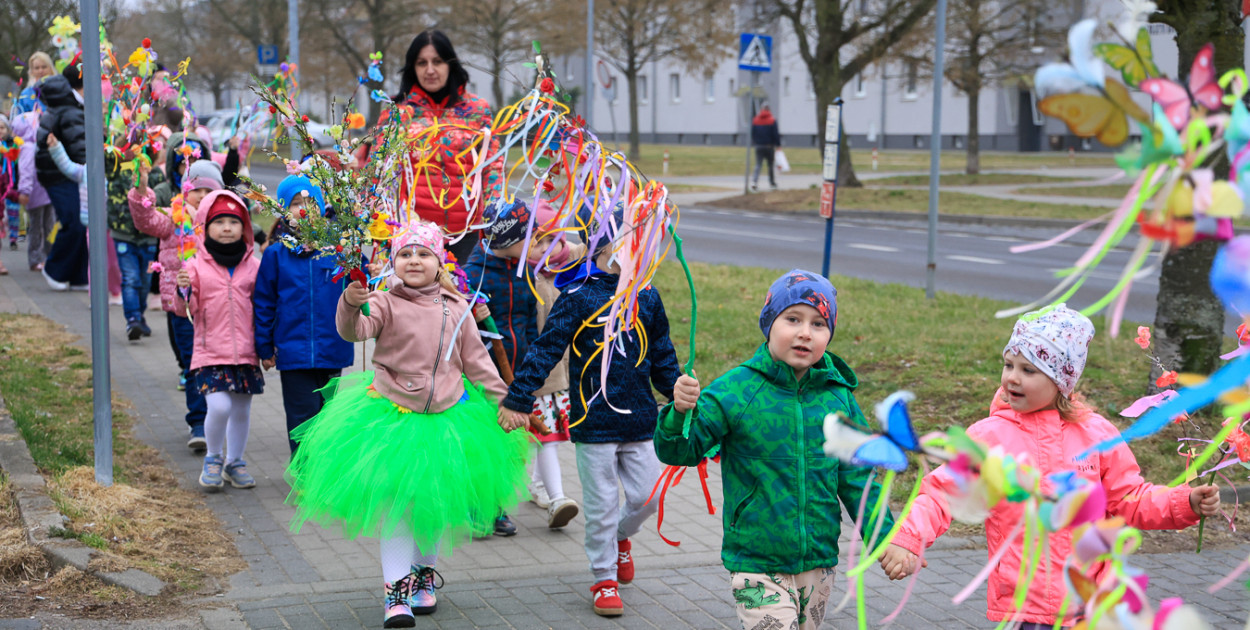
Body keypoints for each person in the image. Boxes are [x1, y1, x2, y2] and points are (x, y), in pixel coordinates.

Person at [878, 305, 1222, 628]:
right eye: (1008, 364)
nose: (1012, 377)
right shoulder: (988, 437)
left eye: (1028, 370)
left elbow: (1128, 499)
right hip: (1024, 609)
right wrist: (909, 538)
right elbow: (942, 495)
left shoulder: (1097, 436)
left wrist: (1184, 503)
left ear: (1062, 380)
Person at [285, 219, 530, 628]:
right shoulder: (383, 302)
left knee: (432, 506)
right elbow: (354, 331)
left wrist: (504, 403)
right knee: (400, 509)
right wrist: (350, 301)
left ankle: (423, 578)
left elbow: (478, 363)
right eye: (405, 253)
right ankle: (395, 594)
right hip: (393, 418)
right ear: (393, 261)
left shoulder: (457, 307)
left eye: (423, 253)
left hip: (448, 420)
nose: (413, 260)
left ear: (440, 263)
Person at [656, 269, 894, 630]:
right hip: (756, 561)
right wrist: (679, 413)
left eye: (818, 324)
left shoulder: (838, 398)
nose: (804, 332)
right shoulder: (737, 390)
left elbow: (859, 479)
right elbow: (679, 452)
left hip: (817, 558)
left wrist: (888, 538)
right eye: (793, 319)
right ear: (769, 323)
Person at [499, 230, 683, 618]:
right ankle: (603, 578)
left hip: (641, 420)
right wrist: (519, 397)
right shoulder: (578, 295)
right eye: (628, 244)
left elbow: (663, 355)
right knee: (601, 506)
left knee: (649, 497)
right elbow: (546, 347)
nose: (636, 253)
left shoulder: (646, 296)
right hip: (593, 421)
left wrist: (680, 400)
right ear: (603, 248)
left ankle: (620, 538)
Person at [252, 175, 354, 455]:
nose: (304, 209)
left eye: (310, 203)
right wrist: (264, 346)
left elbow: (361, 282)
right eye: (295, 203)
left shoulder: (339, 250)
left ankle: (324, 471)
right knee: (301, 417)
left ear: (322, 208)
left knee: (327, 416)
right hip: (293, 351)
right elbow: (264, 303)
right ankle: (304, 472)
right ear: (284, 210)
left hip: (332, 347)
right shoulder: (275, 255)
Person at [382, 30, 503, 264]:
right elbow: (383, 176)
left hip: (469, 233)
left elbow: (493, 167)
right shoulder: (397, 113)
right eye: (422, 63)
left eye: (437, 61)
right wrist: (392, 227)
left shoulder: (477, 109)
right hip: (415, 237)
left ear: (450, 64)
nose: (430, 70)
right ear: (412, 68)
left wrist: (493, 218)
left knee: (465, 299)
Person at [173, 190, 263, 492]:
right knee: (220, 406)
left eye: (234, 222)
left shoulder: (254, 265)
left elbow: (263, 306)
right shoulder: (196, 265)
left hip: (246, 353)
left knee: (240, 410)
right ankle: (213, 457)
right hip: (210, 352)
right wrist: (183, 289)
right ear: (205, 226)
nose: (227, 228)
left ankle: (234, 462)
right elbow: (186, 310)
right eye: (219, 222)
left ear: (244, 227)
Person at [130, 158, 222, 451]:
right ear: (186, 190)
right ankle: (198, 422)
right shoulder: (173, 217)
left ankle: (215, 418)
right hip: (182, 308)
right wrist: (142, 191)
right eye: (198, 190)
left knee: (211, 365)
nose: (203, 196)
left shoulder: (220, 223)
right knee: (192, 364)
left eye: (210, 191)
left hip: (213, 307)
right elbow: (145, 219)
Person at [465, 199, 540, 537]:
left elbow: (530, 322)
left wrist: (533, 367)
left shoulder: (524, 271)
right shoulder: (472, 275)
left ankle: (496, 505)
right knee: (483, 443)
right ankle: (477, 506)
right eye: (529, 235)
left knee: (511, 443)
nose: (536, 240)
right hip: (482, 377)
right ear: (507, 239)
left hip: (518, 373)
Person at [521, 201, 582, 529]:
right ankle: (557, 497)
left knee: (546, 434)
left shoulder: (566, 263)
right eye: (536, 241)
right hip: (534, 373)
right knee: (546, 436)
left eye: (550, 240)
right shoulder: (523, 277)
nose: (545, 248)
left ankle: (539, 484)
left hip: (562, 370)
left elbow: (597, 242)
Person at [35, 63, 88, 290]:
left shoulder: (67, 106)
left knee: (80, 222)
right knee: (74, 222)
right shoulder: (71, 110)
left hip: (59, 172)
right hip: (59, 174)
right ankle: (54, 269)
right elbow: (80, 149)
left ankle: (78, 275)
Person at [13, 112, 54, 272]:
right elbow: (26, 171)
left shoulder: (31, 146)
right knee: (40, 227)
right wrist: (24, 191)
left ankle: (45, 257)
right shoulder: (29, 148)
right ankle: (38, 258)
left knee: (45, 226)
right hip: (37, 193)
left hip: (42, 192)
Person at [10, 52, 56, 117]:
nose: (41, 71)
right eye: (37, 68)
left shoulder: (61, 88)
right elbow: (21, 118)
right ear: (31, 71)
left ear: (51, 68)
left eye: (44, 67)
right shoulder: (25, 94)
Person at [751, 104, 780, 191]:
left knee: (758, 164)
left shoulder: (755, 120)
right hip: (769, 146)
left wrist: (755, 142)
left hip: (759, 146)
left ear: (761, 110)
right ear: (769, 110)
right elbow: (775, 134)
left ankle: (754, 182)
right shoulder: (772, 120)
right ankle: (771, 182)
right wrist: (778, 145)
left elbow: (753, 133)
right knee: (770, 165)